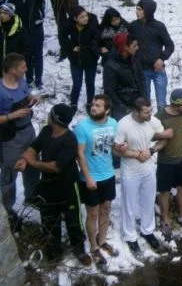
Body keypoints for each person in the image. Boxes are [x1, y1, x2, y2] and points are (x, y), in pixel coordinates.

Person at [15, 104, 90, 265]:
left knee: (73, 220)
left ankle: (79, 249)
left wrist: (33, 162)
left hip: (68, 187)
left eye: (50, 114)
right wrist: (24, 160)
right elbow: (33, 148)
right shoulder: (46, 131)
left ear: (55, 118)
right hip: (48, 186)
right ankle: (53, 251)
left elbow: (55, 167)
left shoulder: (70, 140)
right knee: (48, 220)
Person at [114, 97, 173, 254]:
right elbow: (116, 149)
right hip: (130, 169)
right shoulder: (123, 125)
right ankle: (130, 236)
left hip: (148, 166)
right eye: (146, 112)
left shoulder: (152, 121)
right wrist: (135, 154)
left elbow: (165, 139)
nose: (150, 114)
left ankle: (148, 231)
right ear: (136, 111)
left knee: (148, 201)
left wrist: (152, 150)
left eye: (150, 110)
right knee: (129, 203)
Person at [74, 95, 120, 265]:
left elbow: (113, 145)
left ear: (107, 110)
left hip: (108, 174)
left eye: (98, 105)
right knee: (92, 213)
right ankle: (94, 247)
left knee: (106, 208)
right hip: (91, 177)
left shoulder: (113, 123)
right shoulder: (82, 127)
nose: (93, 108)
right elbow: (80, 154)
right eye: (92, 105)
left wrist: (119, 147)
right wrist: (88, 178)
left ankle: (102, 241)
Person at [0, 53, 40, 232]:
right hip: (10, 138)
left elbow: (26, 95)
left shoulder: (22, 82)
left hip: (28, 131)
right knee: (10, 174)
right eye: (23, 67)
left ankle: (32, 196)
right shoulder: (1, 91)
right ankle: (8, 210)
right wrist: (10, 116)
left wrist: (32, 100)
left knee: (32, 164)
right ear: (13, 70)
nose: (26, 69)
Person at [155, 89, 182, 239]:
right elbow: (149, 134)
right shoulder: (160, 116)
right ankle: (165, 220)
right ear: (176, 105)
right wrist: (162, 134)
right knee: (164, 191)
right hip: (166, 161)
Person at [3, 0, 52, 89]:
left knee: (38, 54)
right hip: (20, 28)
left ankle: (39, 79)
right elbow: (4, 5)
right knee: (26, 54)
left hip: (36, 26)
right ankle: (29, 78)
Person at [129, 0, 174, 112]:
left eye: (139, 9)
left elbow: (169, 45)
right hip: (141, 70)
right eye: (136, 9)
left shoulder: (158, 26)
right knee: (144, 103)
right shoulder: (133, 26)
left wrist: (162, 58)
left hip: (158, 69)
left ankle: (162, 125)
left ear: (147, 11)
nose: (136, 12)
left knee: (161, 104)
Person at [59, 6, 100, 111]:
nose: (86, 18)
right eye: (82, 17)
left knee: (90, 82)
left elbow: (96, 40)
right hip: (75, 60)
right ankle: (73, 104)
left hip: (90, 59)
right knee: (76, 84)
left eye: (86, 15)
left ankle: (90, 102)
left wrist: (87, 49)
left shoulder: (93, 23)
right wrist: (71, 47)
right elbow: (62, 36)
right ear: (75, 19)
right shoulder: (70, 24)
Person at [103, 33, 145, 121]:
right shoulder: (111, 65)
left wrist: (143, 100)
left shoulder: (135, 61)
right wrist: (124, 109)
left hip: (137, 104)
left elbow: (141, 81)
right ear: (125, 47)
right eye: (134, 45)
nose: (137, 48)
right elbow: (109, 90)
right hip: (121, 109)